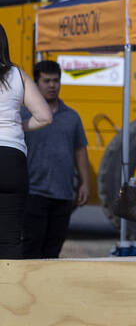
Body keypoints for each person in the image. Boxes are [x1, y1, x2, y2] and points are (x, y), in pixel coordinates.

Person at [20, 61, 89, 259]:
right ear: (36, 83)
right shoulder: (24, 115)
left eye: (56, 81)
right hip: (33, 192)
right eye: (46, 81)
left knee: (53, 251)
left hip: (63, 194)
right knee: (31, 248)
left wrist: (85, 183)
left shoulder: (72, 117)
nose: (52, 85)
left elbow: (80, 150)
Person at [0, 24, 52, 259]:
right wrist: (18, 127)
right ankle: (9, 294)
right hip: (12, 159)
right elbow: (44, 117)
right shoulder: (17, 74)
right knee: (11, 238)